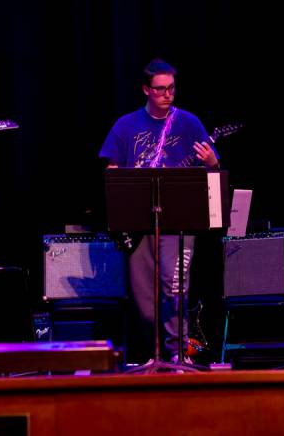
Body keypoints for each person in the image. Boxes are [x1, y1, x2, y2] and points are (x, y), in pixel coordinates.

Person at [99, 58, 219, 362]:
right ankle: (155, 355)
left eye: (172, 89)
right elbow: (112, 172)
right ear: (146, 90)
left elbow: (214, 170)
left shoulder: (189, 123)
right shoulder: (126, 125)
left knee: (174, 287)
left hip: (178, 223)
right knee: (143, 299)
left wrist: (211, 163)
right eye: (160, 89)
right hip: (139, 223)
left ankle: (179, 354)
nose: (167, 95)